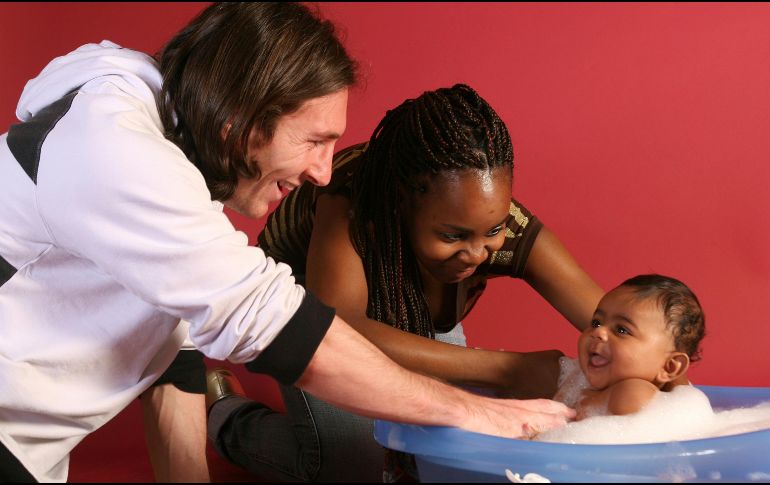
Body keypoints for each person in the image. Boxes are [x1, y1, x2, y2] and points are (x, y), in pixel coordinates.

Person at [0, 3, 574, 483]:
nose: (324, 171)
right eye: (315, 142)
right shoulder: (112, 149)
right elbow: (267, 320)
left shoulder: (166, 184)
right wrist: (473, 410)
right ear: (242, 122)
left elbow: (170, 369)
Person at [206, 84, 604, 482]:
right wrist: (507, 368)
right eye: (453, 236)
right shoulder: (350, 200)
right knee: (358, 465)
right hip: (308, 308)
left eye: (493, 229)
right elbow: (339, 328)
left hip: (400, 312)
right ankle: (228, 416)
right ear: (401, 204)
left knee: (442, 449)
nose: (478, 252)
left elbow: (617, 322)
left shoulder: (496, 227)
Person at [554, 274, 706, 420]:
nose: (598, 331)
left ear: (669, 367)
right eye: (596, 322)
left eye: (622, 330)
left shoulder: (636, 392)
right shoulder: (579, 379)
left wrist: (584, 405)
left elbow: (632, 404)